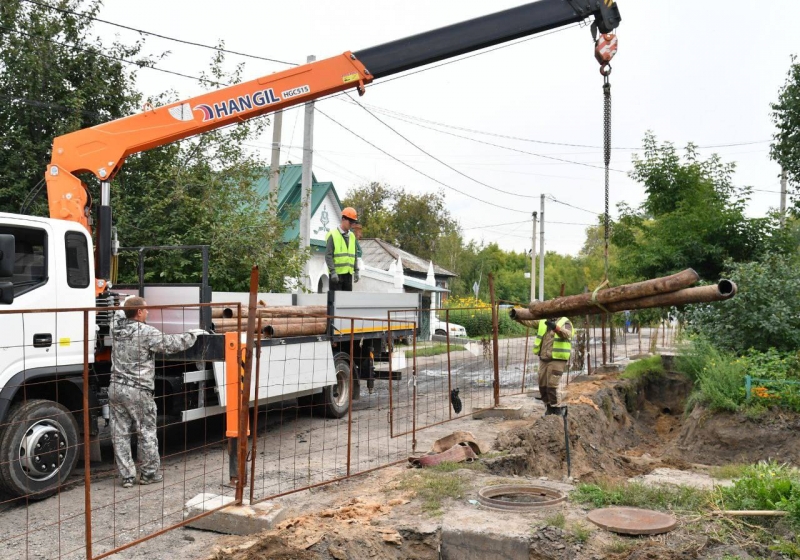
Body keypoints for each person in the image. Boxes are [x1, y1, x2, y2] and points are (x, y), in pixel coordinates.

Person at [109, 296, 202, 488]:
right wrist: (193, 334)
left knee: (120, 434)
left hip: (115, 387)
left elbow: (118, 314)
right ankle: (149, 474)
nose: (148, 312)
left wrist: (126, 303)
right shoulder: (146, 332)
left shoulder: (115, 328)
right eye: (146, 309)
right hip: (139, 390)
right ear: (139, 312)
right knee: (146, 432)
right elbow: (172, 344)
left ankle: (127, 477)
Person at [533, 315, 573, 417]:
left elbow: (568, 334)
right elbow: (530, 321)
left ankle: (557, 410)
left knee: (552, 386)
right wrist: (517, 315)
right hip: (544, 358)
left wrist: (556, 328)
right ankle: (549, 408)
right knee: (542, 385)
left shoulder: (565, 321)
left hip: (557, 359)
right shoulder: (544, 321)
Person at [325, 207, 360, 291]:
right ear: (343, 219)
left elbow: (354, 255)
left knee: (347, 299)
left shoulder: (352, 236)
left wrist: (356, 270)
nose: (351, 225)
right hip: (336, 276)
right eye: (350, 222)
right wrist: (333, 272)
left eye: (353, 223)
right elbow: (328, 255)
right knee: (335, 299)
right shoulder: (333, 235)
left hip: (348, 275)